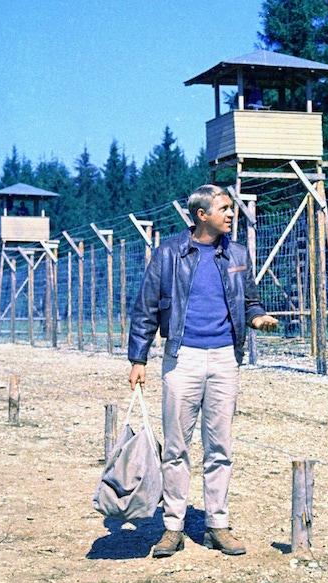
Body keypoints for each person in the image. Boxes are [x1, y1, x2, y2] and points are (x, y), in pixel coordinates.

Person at [128, 184, 278, 559]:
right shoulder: (169, 254)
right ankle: (173, 527)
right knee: (176, 448)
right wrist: (138, 359)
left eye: (232, 209)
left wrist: (258, 318)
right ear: (202, 215)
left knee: (220, 448)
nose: (231, 214)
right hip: (183, 360)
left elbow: (251, 300)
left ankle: (217, 525)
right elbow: (145, 308)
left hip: (226, 359)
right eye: (225, 208)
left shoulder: (237, 254)